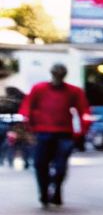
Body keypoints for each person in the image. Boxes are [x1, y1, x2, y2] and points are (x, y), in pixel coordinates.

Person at [19, 65, 89, 207]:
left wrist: (81, 132)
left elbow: (83, 111)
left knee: (60, 167)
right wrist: (29, 129)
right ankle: (44, 193)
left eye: (61, 74)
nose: (58, 76)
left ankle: (56, 191)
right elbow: (27, 108)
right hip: (43, 132)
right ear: (51, 74)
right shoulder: (39, 89)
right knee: (40, 164)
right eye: (56, 74)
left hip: (64, 133)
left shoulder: (74, 91)